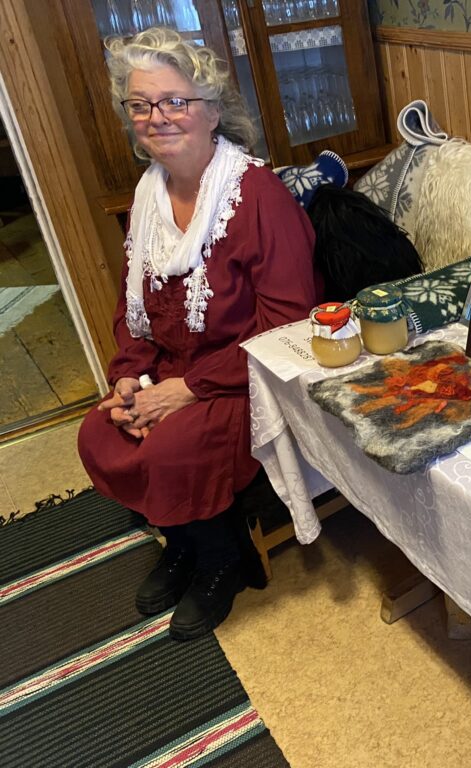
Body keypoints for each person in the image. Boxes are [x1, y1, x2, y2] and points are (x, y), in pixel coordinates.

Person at [77, 28, 318, 641]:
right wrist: (129, 378)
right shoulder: (147, 196)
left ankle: (221, 562)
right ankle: (182, 541)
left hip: (244, 373)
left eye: (174, 101)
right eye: (140, 104)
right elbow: (135, 308)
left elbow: (287, 327)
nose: (157, 117)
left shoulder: (258, 196)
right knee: (101, 432)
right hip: (170, 366)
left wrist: (187, 389)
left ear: (212, 111)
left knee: (171, 448)